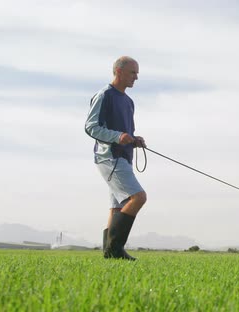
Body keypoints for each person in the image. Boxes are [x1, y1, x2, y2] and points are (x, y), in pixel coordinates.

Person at [85, 56, 147, 260]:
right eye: (133, 72)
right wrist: (117, 137)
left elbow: (125, 131)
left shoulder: (129, 102)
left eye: (137, 73)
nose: (136, 77)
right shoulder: (104, 95)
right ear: (119, 72)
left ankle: (109, 254)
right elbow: (91, 127)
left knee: (117, 207)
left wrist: (134, 139)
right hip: (109, 157)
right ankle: (115, 250)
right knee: (138, 197)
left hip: (124, 157)